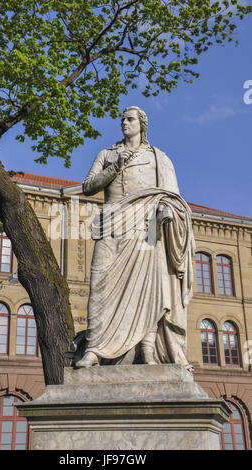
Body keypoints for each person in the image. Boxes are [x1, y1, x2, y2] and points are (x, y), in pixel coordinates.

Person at [75, 106, 195, 369]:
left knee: (149, 290)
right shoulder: (107, 154)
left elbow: (173, 198)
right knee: (99, 287)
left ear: (142, 125)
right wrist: (114, 168)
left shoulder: (158, 158)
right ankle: (94, 349)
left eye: (129, 119)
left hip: (147, 227)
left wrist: (166, 211)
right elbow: (87, 187)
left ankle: (147, 350)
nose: (124, 123)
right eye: (122, 119)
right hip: (111, 225)